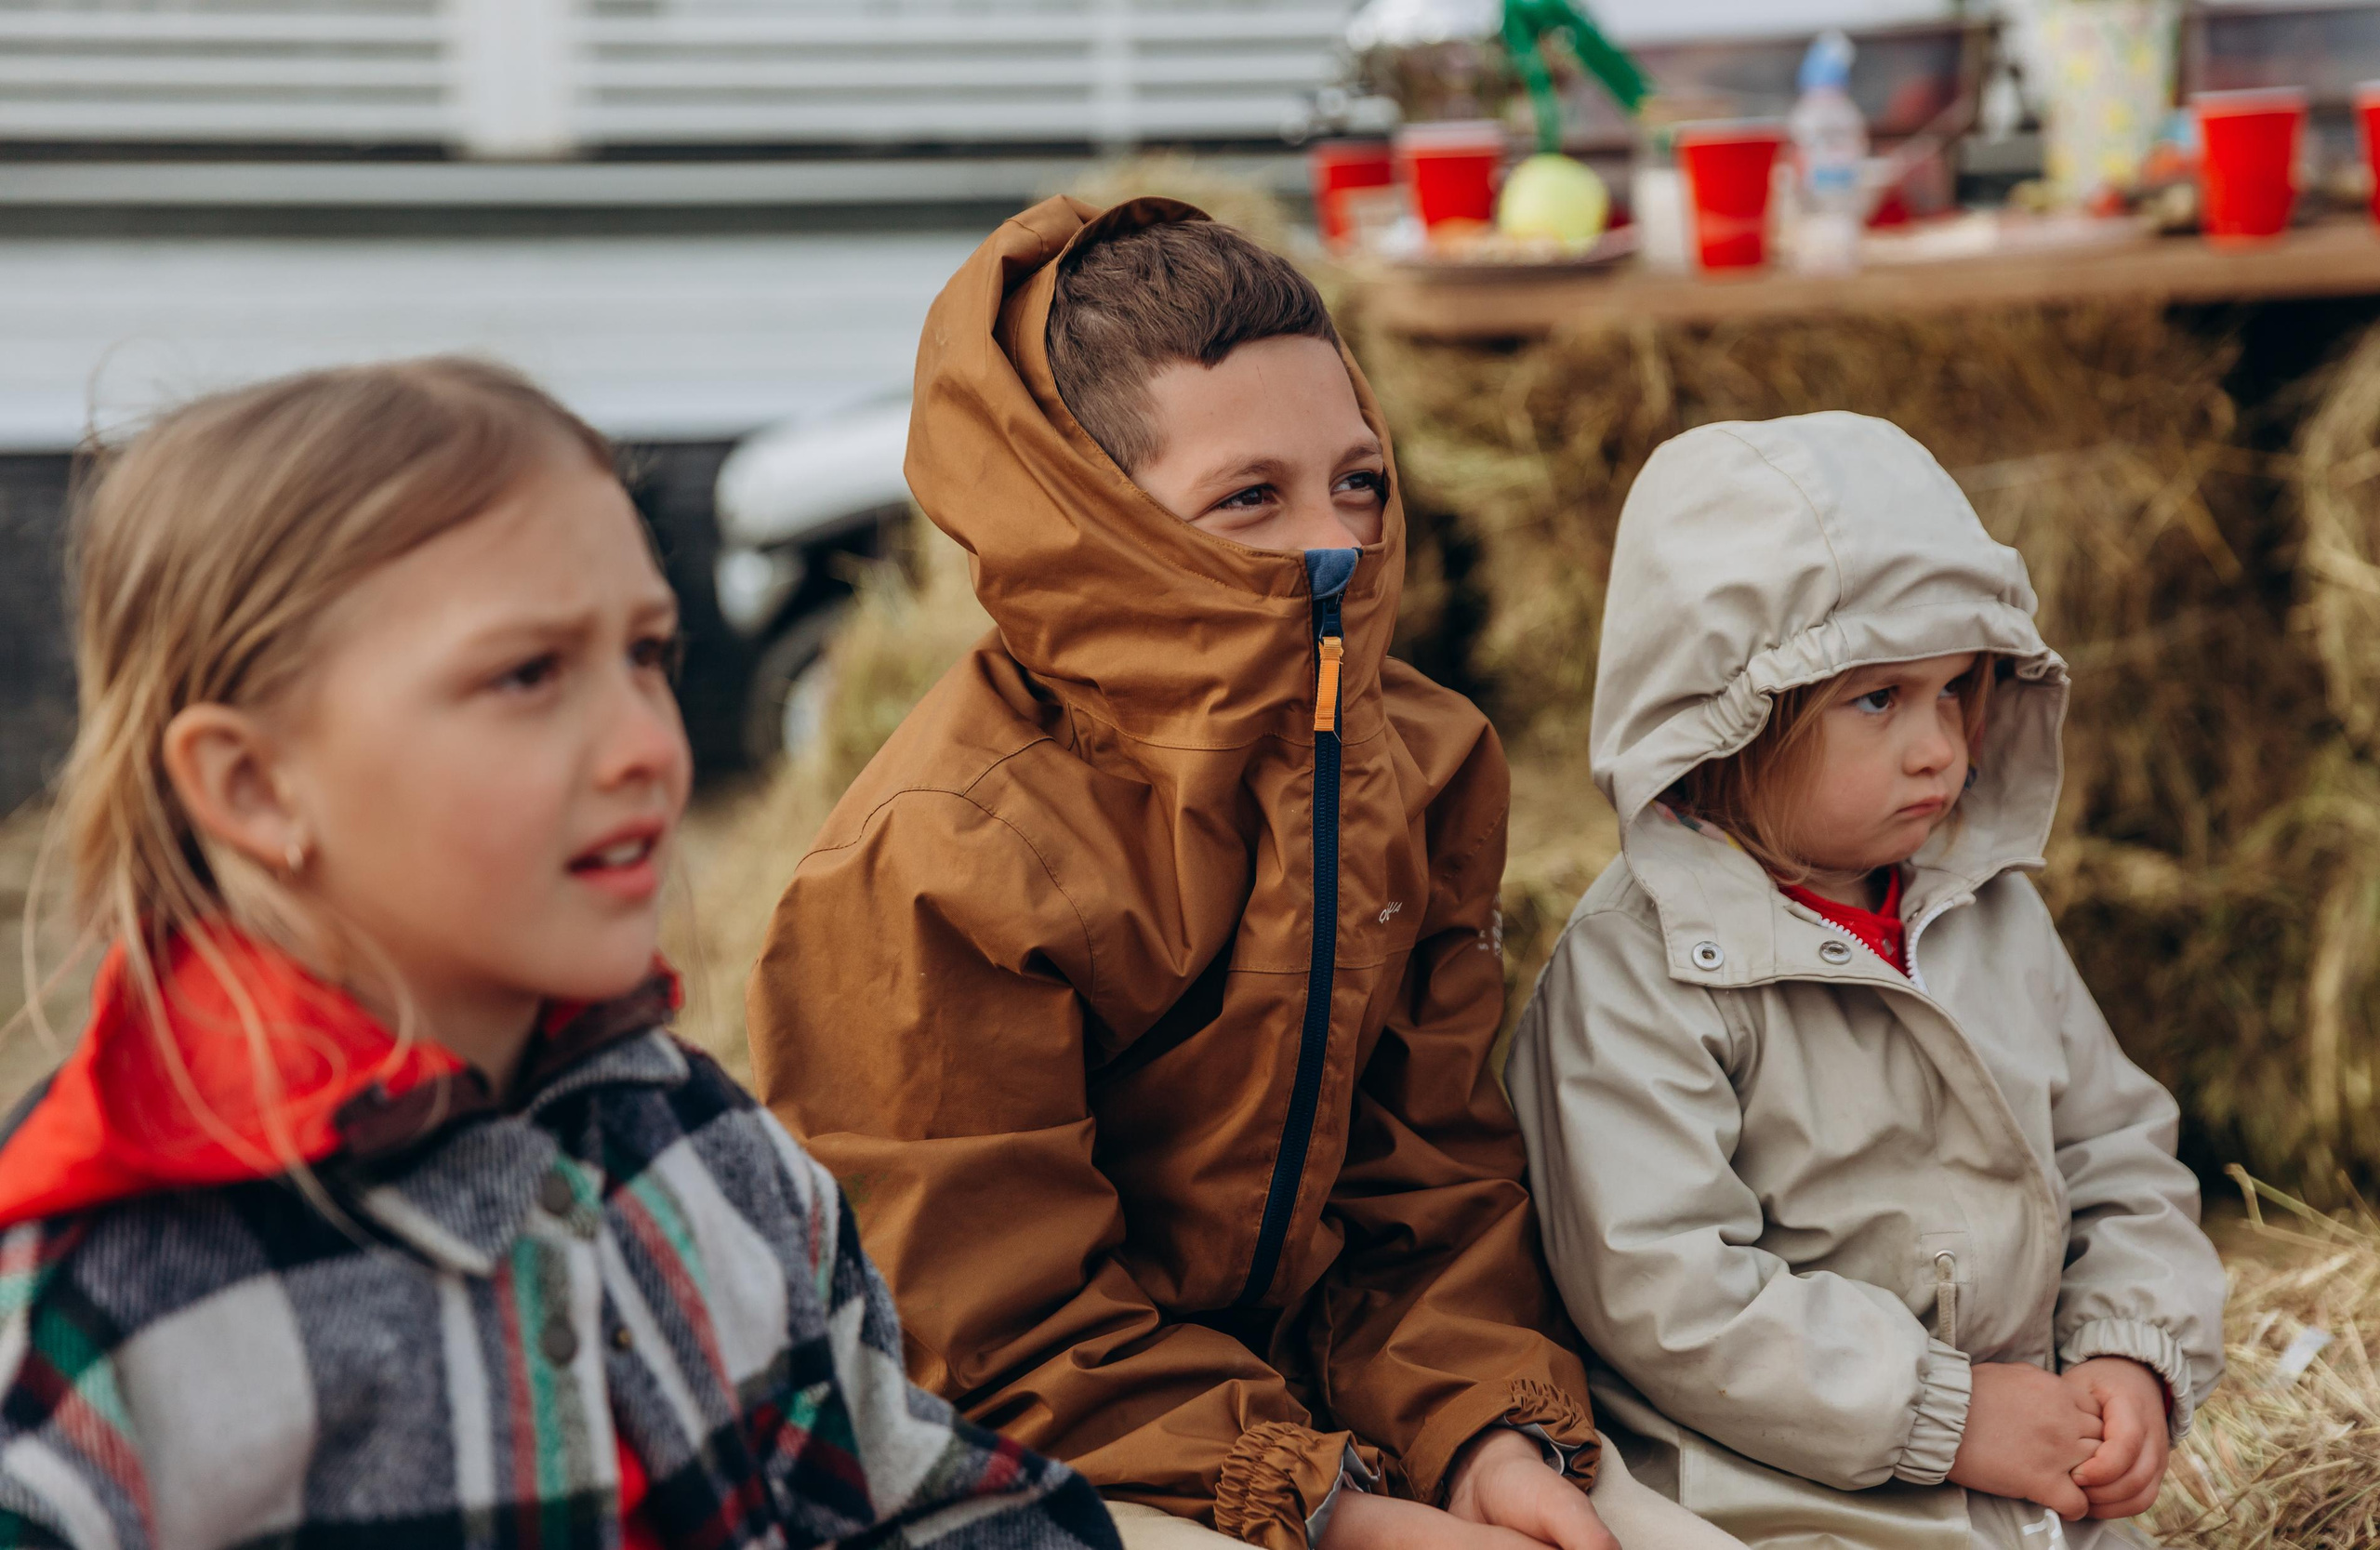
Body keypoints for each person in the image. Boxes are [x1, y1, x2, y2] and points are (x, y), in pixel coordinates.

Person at [749, 199, 1741, 1550]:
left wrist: (1484, 1430)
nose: (1332, 542)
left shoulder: (1427, 760)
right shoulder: (945, 853)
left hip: (1333, 1391)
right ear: (1096, 524)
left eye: (1359, 481)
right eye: (1250, 497)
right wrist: (1328, 1505)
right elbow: (974, 1321)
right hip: (1058, 1445)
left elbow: (1428, 1176)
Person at [0, 358, 1120, 1550]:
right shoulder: (105, 1307)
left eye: (647, 654)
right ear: (253, 784)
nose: (648, 742)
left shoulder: (707, 1145)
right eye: (529, 672)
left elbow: (923, 1505)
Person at [1506, 412, 2228, 1550]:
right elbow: (1670, 1290)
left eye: (1957, 689)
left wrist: (2126, 1348)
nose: (1939, 745)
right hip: (1772, 1491)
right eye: (1878, 698)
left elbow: (2115, 1148)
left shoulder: (1989, 913)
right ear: (1728, 719)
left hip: (2032, 1465)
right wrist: (1945, 1413)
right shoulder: (1640, 971)